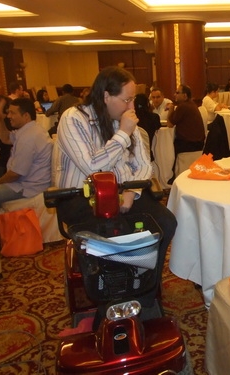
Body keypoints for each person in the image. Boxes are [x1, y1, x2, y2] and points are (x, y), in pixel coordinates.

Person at [55, 66, 177, 301]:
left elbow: (144, 165)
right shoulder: (74, 118)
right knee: (113, 231)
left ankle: (146, 288)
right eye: (127, 100)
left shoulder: (126, 122)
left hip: (123, 192)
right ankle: (109, 293)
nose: (131, 107)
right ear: (106, 96)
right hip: (82, 196)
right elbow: (92, 167)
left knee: (166, 222)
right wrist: (122, 133)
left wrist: (131, 191)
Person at [0, 98, 52, 221]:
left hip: (27, 186)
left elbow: (15, 174)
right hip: (20, 181)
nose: (9, 116)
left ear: (26, 116)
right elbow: (5, 138)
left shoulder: (30, 137)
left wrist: (0, 182)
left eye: (12, 113)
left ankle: (12, 221)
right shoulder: (27, 130)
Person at [167, 84, 206, 160]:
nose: (175, 95)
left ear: (185, 95)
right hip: (198, 143)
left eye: (178, 93)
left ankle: (170, 170)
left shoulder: (183, 106)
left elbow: (170, 124)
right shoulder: (192, 104)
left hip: (189, 144)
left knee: (168, 147)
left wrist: (171, 109)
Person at [134, 93, 161, 160]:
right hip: (147, 153)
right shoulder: (154, 117)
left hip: (132, 154)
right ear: (148, 103)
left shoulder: (131, 117)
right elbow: (158, 127)